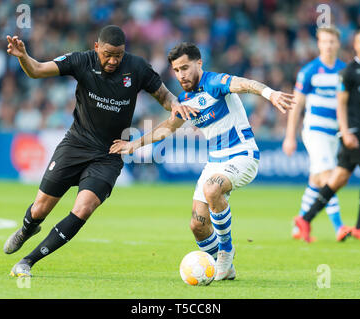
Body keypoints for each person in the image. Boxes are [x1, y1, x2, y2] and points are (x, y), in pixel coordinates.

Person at [4, 25, 198, 277]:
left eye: (118, 54)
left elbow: (164, 96)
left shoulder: (137, 67)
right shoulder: (81, 61)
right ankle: (27, 229)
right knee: (40, 209)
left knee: (83, 208)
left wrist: (175, 105)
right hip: (75, 145)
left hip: (110, 153)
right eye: (108, 54)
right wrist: (24, 58)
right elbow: (38, 70)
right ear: (96, 47)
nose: (113, 60)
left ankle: (27, 262)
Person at [110, 42, 294, 280]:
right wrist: (135, 143)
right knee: (197, 226)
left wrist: (271, 94)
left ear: (199, 63)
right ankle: (224, 269)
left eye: (185, 68)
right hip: (215, 162)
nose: (181, 74)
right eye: (176, 70)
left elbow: (245, 84)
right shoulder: (185, 100)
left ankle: (226, 251)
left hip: (242, 155)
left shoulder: (215, 83)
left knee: (212, 188)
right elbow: (168, 127)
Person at [295, 29, 360, 244]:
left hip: (345, 132)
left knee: (336, 179)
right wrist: (346, 131)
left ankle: (305, 219)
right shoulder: (347, 72)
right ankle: (357, 227)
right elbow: (341, 103)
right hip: (350, 132)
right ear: (355, 46)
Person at [282, 26, 352, 242]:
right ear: (319, 43)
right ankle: (339, 227)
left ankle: (300, 223)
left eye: (332, 41)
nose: (328, 45)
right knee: (329, 177)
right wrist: (290, 136)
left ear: (337, 44)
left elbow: (347, 104)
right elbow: (297, 104)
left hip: (334, 134)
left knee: (316, 180)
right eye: (324, 41)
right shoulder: (309, 71)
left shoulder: (344, 70)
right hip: (315, 130)